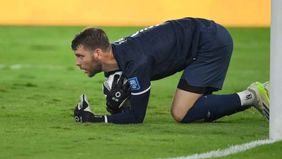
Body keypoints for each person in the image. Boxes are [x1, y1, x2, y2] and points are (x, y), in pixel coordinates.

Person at [71, 17, 269, 124]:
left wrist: (98, 119)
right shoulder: (117, 54)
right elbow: (123, 103)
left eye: (80, 56)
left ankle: (252, 95)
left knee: (181, 112)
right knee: (195, 109)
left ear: (97, 53)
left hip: (210, 43)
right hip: (202, 33)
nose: (77, 62)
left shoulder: (136, 63)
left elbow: (136, 117)